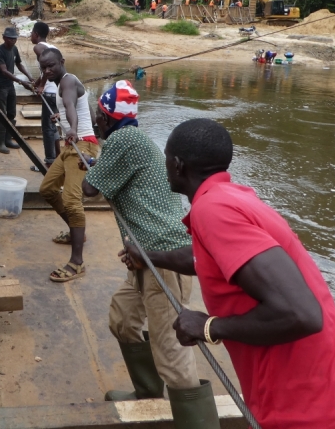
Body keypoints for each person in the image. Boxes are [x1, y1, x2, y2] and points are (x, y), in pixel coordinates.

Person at [123, 118, 335, 429]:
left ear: (178, 165)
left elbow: (302, 314)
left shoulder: (213, 211)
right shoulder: (234, 198)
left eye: (166, 158)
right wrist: (151, 257)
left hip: (329, 413)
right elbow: (204, 259)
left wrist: (210, 327)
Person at [81, 82, 216, 427]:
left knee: (173, 355)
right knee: (123, 318)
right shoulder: (132, 141)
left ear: (108, 117)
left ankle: (196, 420)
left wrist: (90, 167)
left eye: (100, 114)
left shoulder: (124, 140)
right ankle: (147, 395)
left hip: (163, 256)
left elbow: (90, 189)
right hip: (144, 253)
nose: (96, 120)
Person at [38, 48, 99, 281]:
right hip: (71, 146)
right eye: (44, 67)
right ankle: (76, 233)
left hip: (82, 146)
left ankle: (77, 263)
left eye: (51, 65)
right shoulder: (63, 82)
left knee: (72, 201)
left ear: (62, 62)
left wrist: (72, 127)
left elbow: (72, 108)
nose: (47, 70)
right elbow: (88, 115)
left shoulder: (69, 82)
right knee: (47, 189)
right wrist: (61, 118)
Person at [0, 27, 33, 154]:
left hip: (10, 85)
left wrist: (29, 76)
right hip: (1, 86)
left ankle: (8, 139)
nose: (13, 41)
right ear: (4, 38)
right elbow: (4, 71)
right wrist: (21, 82)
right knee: (2, 114)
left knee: (11, 113)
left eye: (15, 38)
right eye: (10, 39)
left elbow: (19, 64)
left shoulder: (14, 49)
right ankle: (0, 143)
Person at [29, 21, 60, 169]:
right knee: (53, 126)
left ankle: (49, 162)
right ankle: (58, 158)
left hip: (49, 93)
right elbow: (48, 70)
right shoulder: (52, 47)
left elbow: (47, 67)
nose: (30, 36)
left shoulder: (38, 47)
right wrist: (38, 81)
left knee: (47, 127)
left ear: (36, 34)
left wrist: (42, 85)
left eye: (31, 33)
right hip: (58, 91)